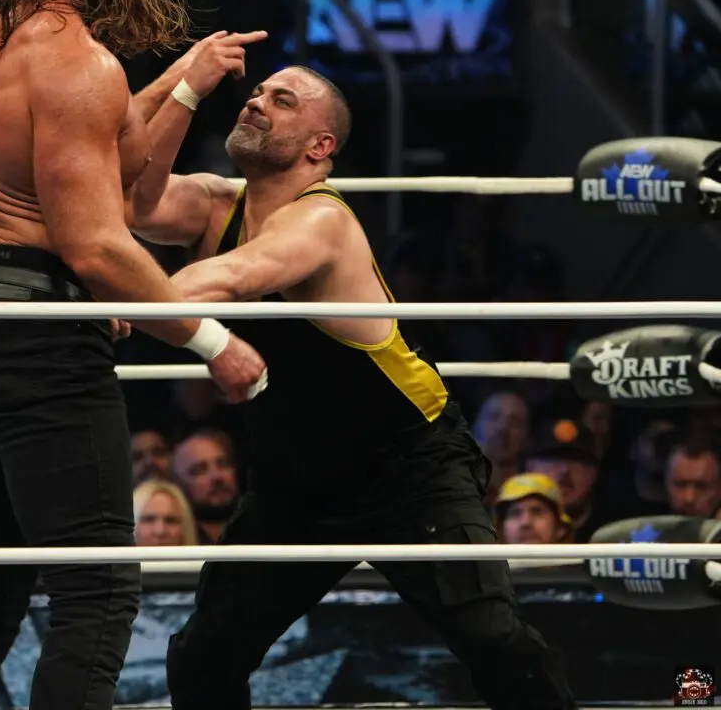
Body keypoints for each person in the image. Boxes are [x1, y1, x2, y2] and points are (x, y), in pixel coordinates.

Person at [128, 62, 576, 709]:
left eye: (282, 101)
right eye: (257, 92)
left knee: (495, 640)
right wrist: (188, 86)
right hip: (295, 486)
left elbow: (234, 276)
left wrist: (132, 303)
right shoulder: (214, 204)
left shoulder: (322, 221)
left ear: (321, 146)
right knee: (205, 656)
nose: (257, 102)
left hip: (409, 472)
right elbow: (132, 203)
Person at [0, 0, 267, 709]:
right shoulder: (80, 65)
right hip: (37, 334)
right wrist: (213, 341)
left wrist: (184, 81)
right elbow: (96, 245)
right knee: (97, 591)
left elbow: (101, 146)